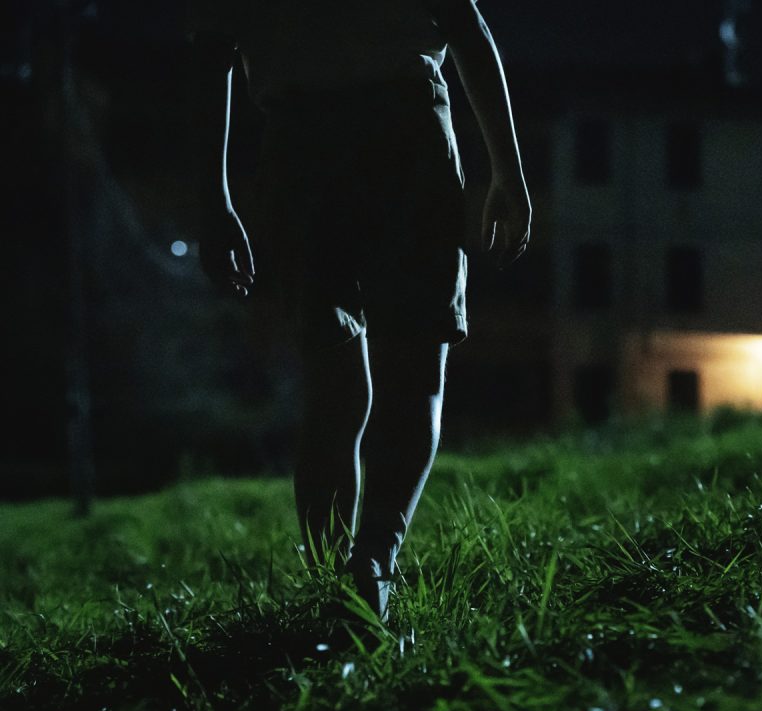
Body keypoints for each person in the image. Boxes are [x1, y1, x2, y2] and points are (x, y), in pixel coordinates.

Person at [186, 0, 531, 622]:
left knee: (333, 385)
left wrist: (215, 200)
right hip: (405, 132)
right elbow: (466, 27)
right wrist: (508, 172)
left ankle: (335, 581)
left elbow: (211, 57)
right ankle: (372, 562)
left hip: (299, 146)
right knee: (415, 373)